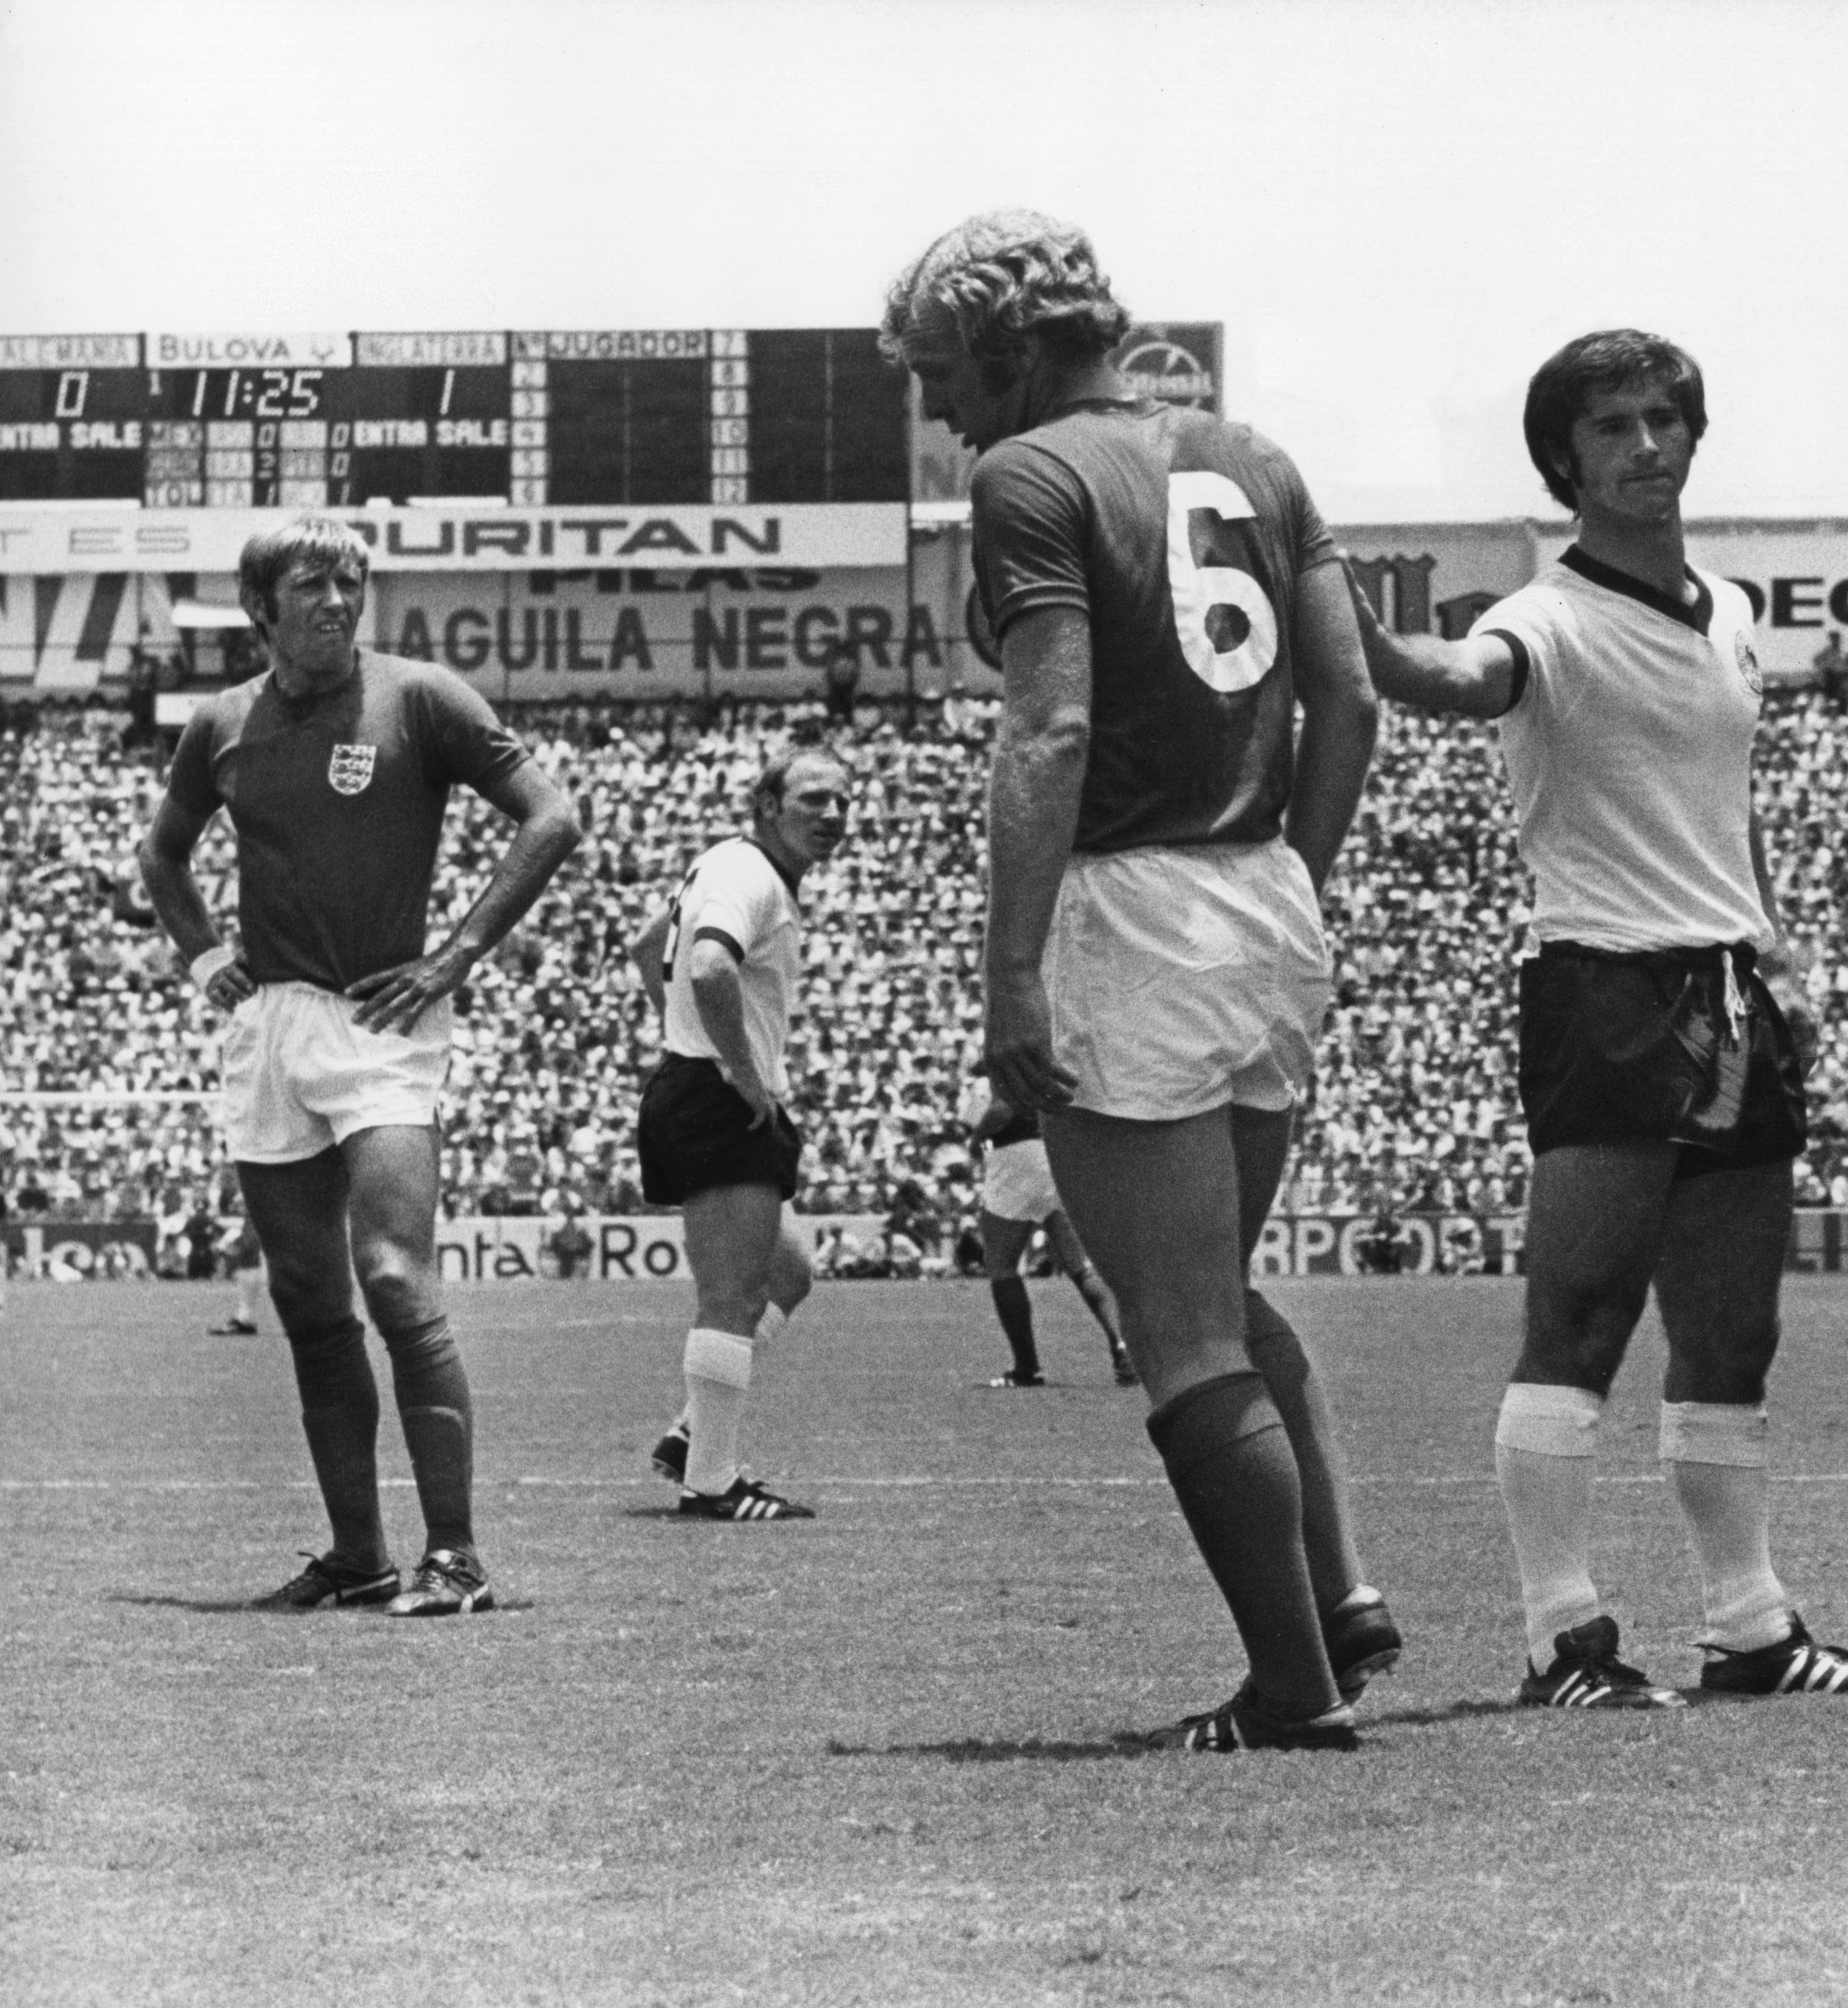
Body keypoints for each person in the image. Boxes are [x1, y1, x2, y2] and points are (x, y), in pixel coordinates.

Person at [884, 208, 1394, 1752]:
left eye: (941, 370)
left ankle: (1290, 1690)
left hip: (1129, 897)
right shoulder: (1258, 458)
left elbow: (1047, 729)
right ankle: (1339, 1599)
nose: (938, 407)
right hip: (1263, 890)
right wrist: (1294, 880)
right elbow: (1350, 697)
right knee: (1220, 1290)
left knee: (1180, 1335)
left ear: (1008, 346)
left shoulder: (1029, 475)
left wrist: (1010, 976)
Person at [1349, 329, 1848, 1710]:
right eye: (1612, 426)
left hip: (1728, 988)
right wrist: (1344, 624)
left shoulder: (1730, 610)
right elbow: (1452, 682)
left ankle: (1751, 1627)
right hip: (1606, 985)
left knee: (1731, 1333)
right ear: (1563, 459)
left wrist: (1776, 948)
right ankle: (1562, 1638)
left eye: (1666, 418)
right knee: (1583, 1319)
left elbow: (1726, 805)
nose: (1648, 444)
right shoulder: (1543, 620)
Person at [137, 514, 582, 1615]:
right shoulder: (221, 722)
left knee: (393, 1275)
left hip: (383, 1021)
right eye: (314, 584)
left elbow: (552, 816)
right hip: (271, 1026)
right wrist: (204, 956)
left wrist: (457, 955)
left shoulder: (420, 697)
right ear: (261, 607)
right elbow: (163, 852)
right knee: (306, 1297)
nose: (339, 600)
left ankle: (457, 1555)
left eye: (352, 581)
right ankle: (357, 1555)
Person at [631, 748, 850, 1522]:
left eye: (842, 801)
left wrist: (691, 1043)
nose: (833, 815)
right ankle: (713, 1481)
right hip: (718, 1095)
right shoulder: (749, 871)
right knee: (730, 1297)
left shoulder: (734, 867)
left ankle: (693, 1432)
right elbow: (709, 969)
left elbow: (647, 947)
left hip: (706, 1085)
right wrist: (737, 1069)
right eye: (813, 799)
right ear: (766, 804)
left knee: (790, 1271)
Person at [954, 1071, 1134, 1387]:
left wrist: (975, 1140)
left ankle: (1027, 1367)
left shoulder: (1007, 1059)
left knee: (1001, 1266)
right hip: (1054, 1152)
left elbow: (1002, 1109)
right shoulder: (1053, 1061)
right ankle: (1123, 1348)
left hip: (1015, 1158)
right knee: (1081, 1267)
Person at [210, 1213, 266, 1335]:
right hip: (253, 1265)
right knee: (247, 1298)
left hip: (251, 1265)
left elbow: (249, 1242)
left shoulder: (253, 1219)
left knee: (247, 1295)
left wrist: (231, 1250)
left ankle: (244, 1322)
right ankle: (245, 1320)